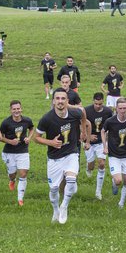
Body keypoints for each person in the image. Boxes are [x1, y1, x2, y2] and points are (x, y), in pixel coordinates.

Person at [35, 89, 88, 224]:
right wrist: (51, 142)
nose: (60, 101)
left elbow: (83, 114)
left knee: (70, 179)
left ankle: (64, 206)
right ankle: (55, 210)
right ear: (53, 101)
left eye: (63, 98)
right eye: (57, 98)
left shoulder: (74, 113)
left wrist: (83, 131)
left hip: (71, 152)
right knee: (53, 189)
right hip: (54, 158)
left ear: (67, 101)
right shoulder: (47, 118)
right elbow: (36, 138)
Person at [102, 97, 126, 208]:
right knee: (118, 180)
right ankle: (114, 183)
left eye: (124, 108)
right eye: (120, 108)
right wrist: (105, 146)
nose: (122, 111)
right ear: (116, 108)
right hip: (114, 155)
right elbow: (103, 131)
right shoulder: (110, 121)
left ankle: (121, 203)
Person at [0, 100, 34, 206]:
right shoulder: (6, 123)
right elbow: (0, 137)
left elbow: (32, 128)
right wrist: (10, 141)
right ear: (11, 110)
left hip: (23, 151)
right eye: (14, 109)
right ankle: (12, 180)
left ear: (21, 109)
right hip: (9, 152)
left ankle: (20, 199)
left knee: (23, 174)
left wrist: (29, 137)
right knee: (12, 174)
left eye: (18, 108)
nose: (16, 111)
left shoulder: (27, 120)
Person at [84, 92, 113, 199]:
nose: (98, 106)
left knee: (101, 163)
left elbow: (111, 126)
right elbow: (81, 125)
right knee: (91, 165)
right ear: (93, 101)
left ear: (103, 102)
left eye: (100, 104)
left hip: (102, 141)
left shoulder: (108, 111)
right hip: (89, 142)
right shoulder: (86, 111)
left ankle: (98, 192)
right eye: (96, 103)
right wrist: (88, 136)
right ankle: (88, 167)